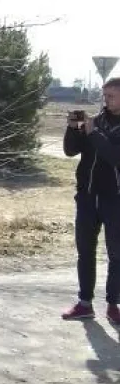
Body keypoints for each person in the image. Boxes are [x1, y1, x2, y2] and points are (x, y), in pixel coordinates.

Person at [62, 77, 120, 323]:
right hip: (86, 197)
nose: (105, 100)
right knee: (85, 251)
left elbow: (115, 156)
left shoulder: (99, 128)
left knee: (117, 254)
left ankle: (113, 304)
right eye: (104, 96)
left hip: (114, 199)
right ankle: (85, 303)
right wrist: (73, 129)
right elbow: (70, 151)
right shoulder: (94, 122)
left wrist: (93, 133)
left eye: (111, 96)